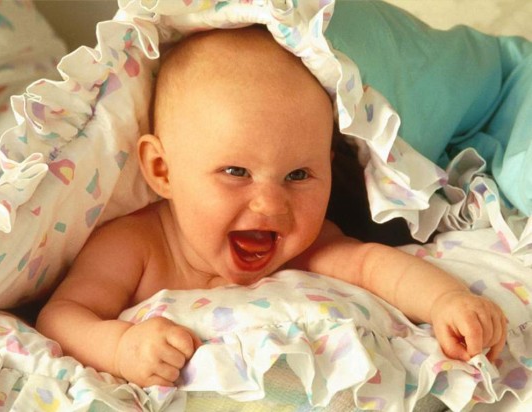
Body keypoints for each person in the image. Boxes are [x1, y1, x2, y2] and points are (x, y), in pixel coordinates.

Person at [36, 26, 507, 388]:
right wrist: (119, 349)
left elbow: (372, 265)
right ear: (162, 170)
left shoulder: (306, 246)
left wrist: (447, 301)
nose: (269, 205)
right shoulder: (134, 246)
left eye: (298, 175)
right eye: (235, 172)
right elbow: (63, 315)